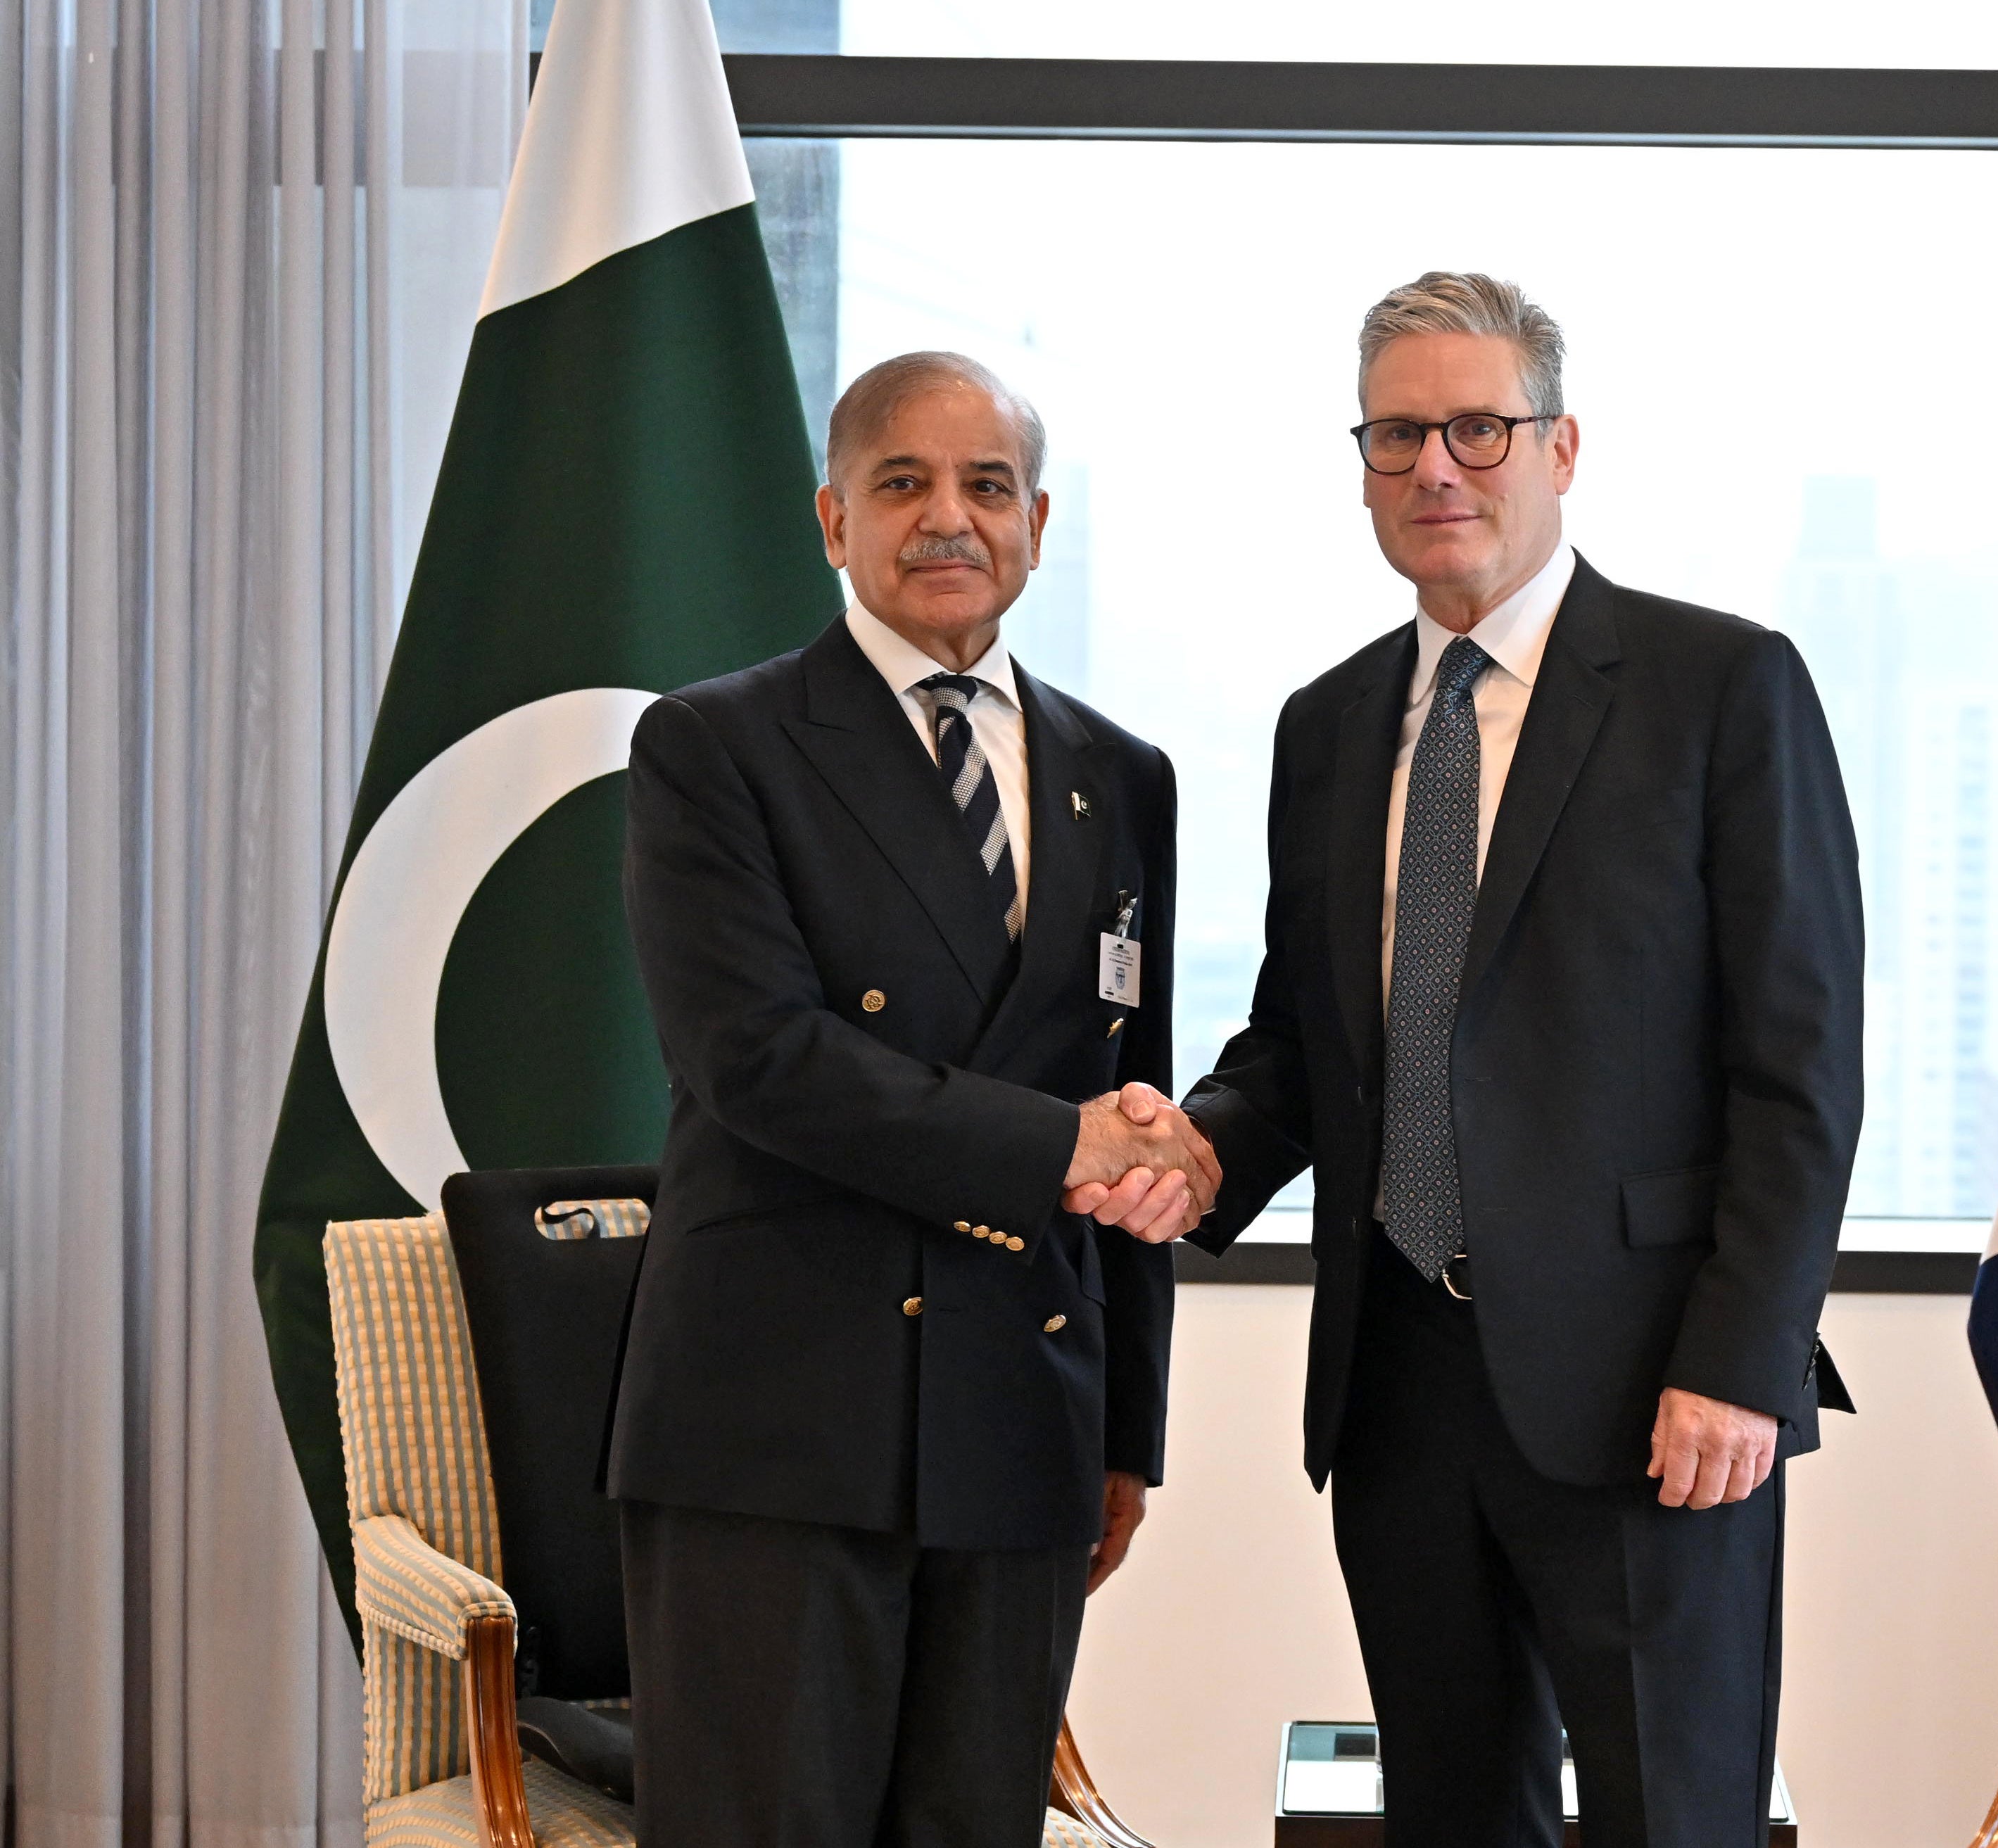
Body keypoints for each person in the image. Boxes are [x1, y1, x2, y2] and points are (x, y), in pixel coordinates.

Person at [1076, 272, 1863, 1847]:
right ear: (1361, 463)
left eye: (1477, 428)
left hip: (1652, 1387)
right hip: (1400, 1388)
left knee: (1670, 1816)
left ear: (1560, 446)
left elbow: (1801, 1063)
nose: (1436, 466)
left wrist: (1737, 1356)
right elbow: (1308, 1039)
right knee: (1450, 1815)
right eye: (1396, 435)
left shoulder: (1720, 687)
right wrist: (1208, 1144)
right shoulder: (1324, 724)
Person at [612, 350, 1217, 1848]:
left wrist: (1123, 1428)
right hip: (781, 1419)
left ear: (1036, 520)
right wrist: (1059, 1141)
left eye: (985, 486)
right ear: (832, 518)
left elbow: (1121, 1086)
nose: (948, 518)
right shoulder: (716, 743)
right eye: (903, 483)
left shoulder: (1119, 773)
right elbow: (753, 1055)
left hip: (1022, 1412)